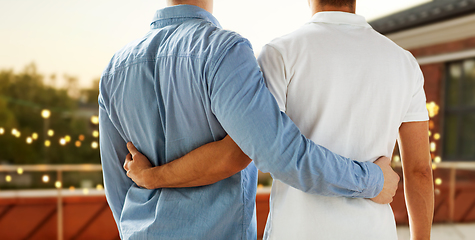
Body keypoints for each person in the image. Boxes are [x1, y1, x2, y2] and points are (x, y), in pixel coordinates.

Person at [99, 0, 399, 239]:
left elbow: (118, 183)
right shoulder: (222, 50)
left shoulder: (114, 69)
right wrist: (373, 180)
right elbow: (277, 153)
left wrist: (150, 184)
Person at [255, 0, 434, 239]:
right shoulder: (404, 63)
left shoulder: (279, 53)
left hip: (297, 231)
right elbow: (419, 170)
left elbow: (269, 152)